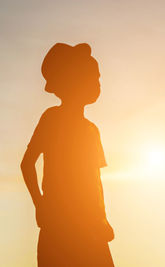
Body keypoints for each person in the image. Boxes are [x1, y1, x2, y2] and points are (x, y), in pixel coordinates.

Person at [20, 42, 114, 266]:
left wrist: (102, 218)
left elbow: (95, 181)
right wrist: (40, 205)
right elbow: (27, 164)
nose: (98, 84)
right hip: (58, 225)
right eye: (93, 78)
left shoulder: (92, 130)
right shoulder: (51, 118)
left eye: (98, 78)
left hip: (91, 227)